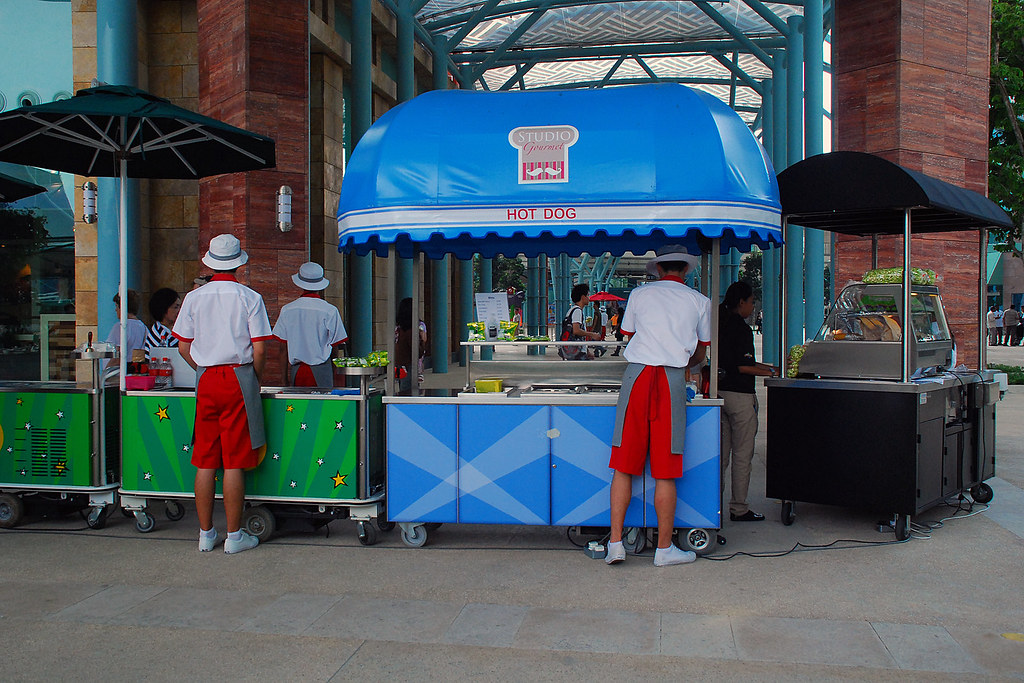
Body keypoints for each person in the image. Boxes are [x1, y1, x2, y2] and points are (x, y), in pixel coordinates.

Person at [606, 245, 710, 567]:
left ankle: (615, 544)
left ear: (658, 269)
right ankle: (664, 549)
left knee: (624, 464)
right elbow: (701, 351)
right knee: (666, 469)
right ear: (686, 270)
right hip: (673, 380)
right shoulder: (700, 301)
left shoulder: (639, 294)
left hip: (636, 377)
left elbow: (626, 333)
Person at [172, 234, 272, 555]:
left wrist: (202, 367)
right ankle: (233, 536)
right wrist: (253, 378)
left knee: (204, 460)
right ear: (238, 263)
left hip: (206, 379)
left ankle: (205, 533)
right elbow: (259, 348)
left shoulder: (193, 298)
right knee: (233, 462)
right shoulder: (249, 297)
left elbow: (183, 346)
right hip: (237, 377)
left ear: (211, 262)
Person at [717, 281, 779, 523]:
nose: (753, 307)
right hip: (740, 398)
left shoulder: (719, 323)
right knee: (742, 455)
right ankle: (739, 508)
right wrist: (772, 372)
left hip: (719, 393)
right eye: (752, 302)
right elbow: (744, 366)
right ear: (741, 302)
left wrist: (769, 368)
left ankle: (714, 506)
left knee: (720, 456)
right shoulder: (741, 329)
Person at [273, 262, 348, 388]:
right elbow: (335, 346)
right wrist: (335, 374)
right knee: (323, 407)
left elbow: (282, 349)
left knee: (298, 407)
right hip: (322, 370)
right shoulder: (330, 310)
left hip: (297, 371)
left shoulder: (287, 310)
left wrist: (284, 380)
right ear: (320, 285)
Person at [105, 289, 147, 368]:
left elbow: (118, 356)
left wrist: (105, 374)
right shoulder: (143, 327)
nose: (115, 309)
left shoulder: (121, 327)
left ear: (122, 307)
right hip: (133, 372)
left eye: (117, 306)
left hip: (117, 373)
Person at [396, 297, 427, 395]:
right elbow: (418, 351)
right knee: (409, 389)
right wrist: (422, 340)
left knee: (403, 386)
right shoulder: (412, 331)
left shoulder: (398, 328)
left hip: (400, 363)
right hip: (410, 363)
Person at [561, 283, 602, 360]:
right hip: (576, 352)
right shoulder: (577, 311)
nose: (589, 298)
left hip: (574, 350)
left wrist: (587, 351)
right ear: (583, 297)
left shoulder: (572, 310)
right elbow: (576, 331)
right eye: (587, 295)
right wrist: (592, 334)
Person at [144, 287, 181, 361]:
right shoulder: (158, 334)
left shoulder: (175, 330)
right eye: (175, 307)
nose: (179, 311)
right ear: (164, 309)